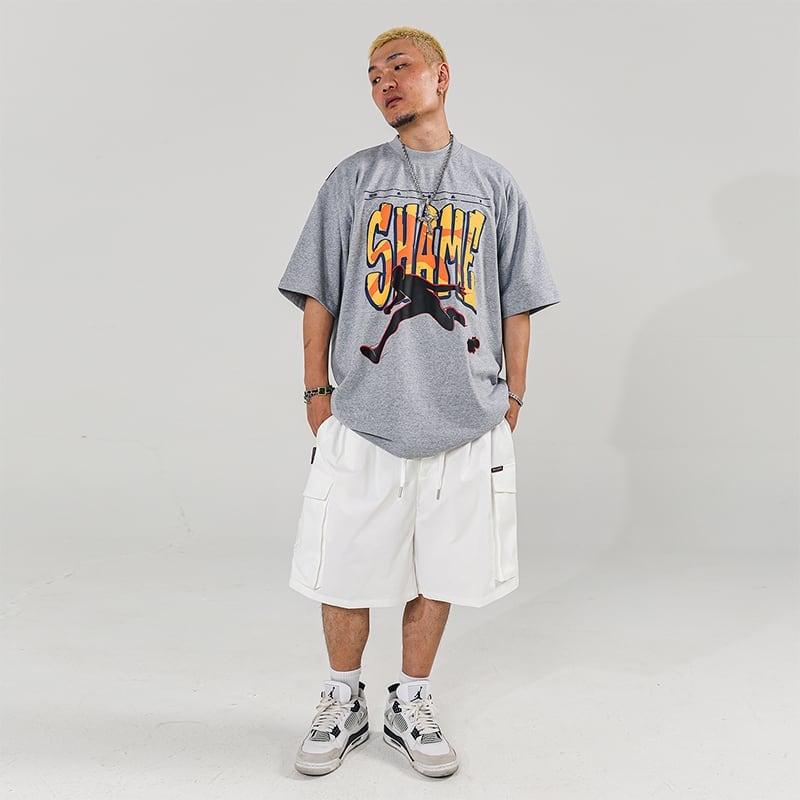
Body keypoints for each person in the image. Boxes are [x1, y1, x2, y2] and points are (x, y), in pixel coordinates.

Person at [278, 26, 560, 778]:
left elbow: (519, 302)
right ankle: (344, 697)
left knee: (441, 570)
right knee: (343, 568)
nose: (384, 84)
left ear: (441, 75)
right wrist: (317, 395)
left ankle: (411, 699)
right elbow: (318, 292)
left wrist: (513, 397)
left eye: (398, 68)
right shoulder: (353, 179)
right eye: (373, 76)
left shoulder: (493, 184)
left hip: (465, 420)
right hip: (364, 416)